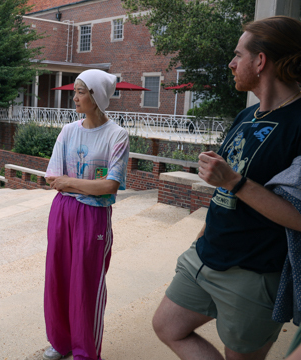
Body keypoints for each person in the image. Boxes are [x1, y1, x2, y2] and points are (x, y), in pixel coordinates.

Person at [152, 15, 301, 360]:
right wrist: (202, 236)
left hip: (254, 273)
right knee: (167, 326)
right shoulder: (245, 117)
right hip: (205, 256)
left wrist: (234, 181)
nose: (232, 63)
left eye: (238, 54)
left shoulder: (297, 124)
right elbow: (223, 193)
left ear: (260, 61)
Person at [43, 69, 130, 360]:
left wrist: (70, 183)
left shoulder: (116, 136)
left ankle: (85, 352)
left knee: (86, 283)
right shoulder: (69, 131)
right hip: (63, 212)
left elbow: (110, 185)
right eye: (75, 90)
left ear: (96, 96)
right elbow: (52, 177)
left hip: (94, 217)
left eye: (81, 91)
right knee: (58, 277)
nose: (75, 96)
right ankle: (61, 341)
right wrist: (81, 186)